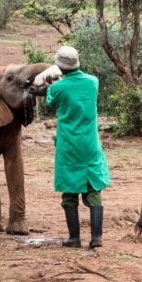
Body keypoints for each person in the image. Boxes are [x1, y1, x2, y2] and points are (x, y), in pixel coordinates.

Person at [33, 46, 112, 249]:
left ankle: (74, 238)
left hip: (69, 145)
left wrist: (49, 85)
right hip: (90, 144)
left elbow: (50, 99)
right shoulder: (93, 82)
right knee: (93, 187)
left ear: (60, 67)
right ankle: (96, 238)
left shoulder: (59, 88)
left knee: (69, 190)